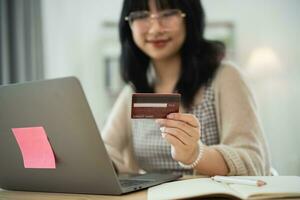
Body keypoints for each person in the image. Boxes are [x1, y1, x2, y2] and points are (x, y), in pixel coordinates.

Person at [102, 0, 271, 176]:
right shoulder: (134, 91)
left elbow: (253, 162)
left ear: (189, 17)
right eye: (142, 16)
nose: (155, 29)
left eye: (167, 14)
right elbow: (105, 149)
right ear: (128, 24)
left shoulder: (224, 77)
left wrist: (195, 154)